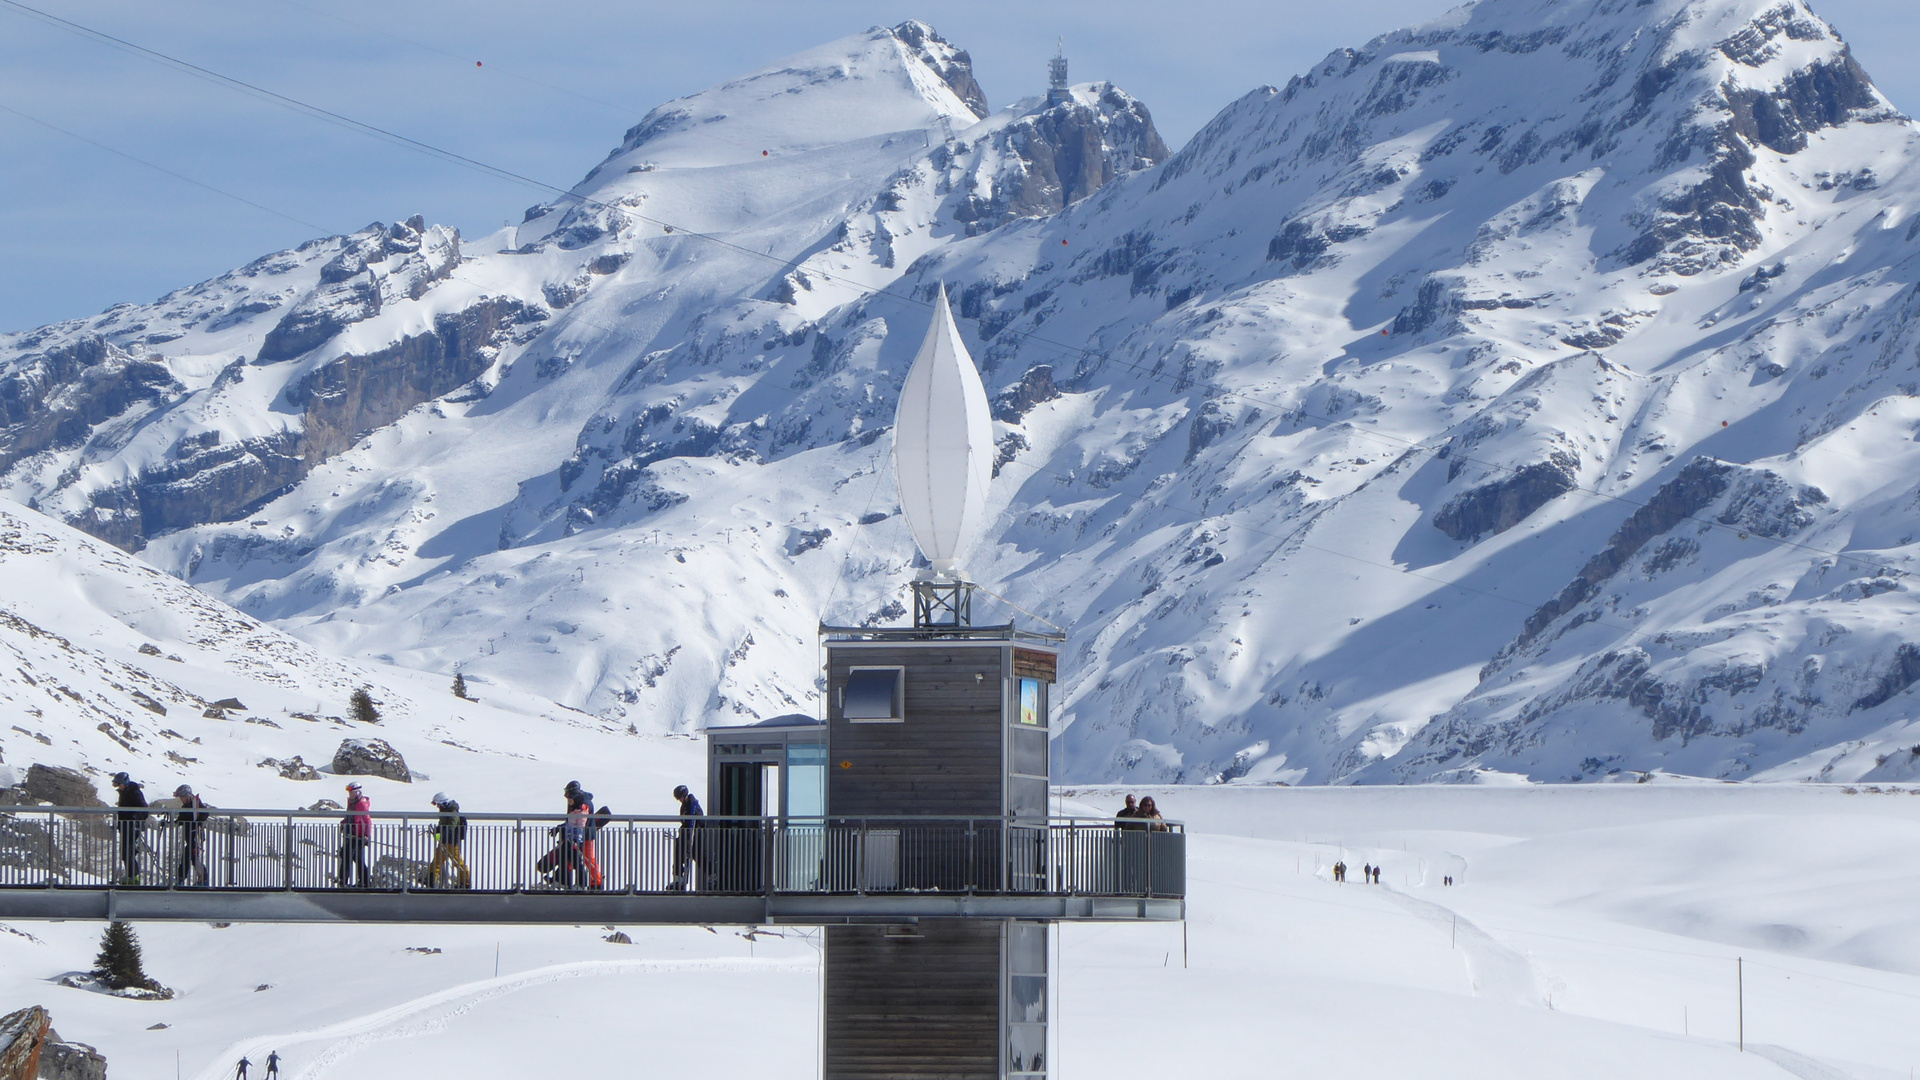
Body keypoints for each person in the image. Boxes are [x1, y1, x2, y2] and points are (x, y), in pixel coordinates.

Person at [111, 773, 148, 884]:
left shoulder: (135, 792)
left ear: (125, 782)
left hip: (133, 826)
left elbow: (144, 810)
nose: (119, 787)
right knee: (124, 851)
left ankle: (134, 876)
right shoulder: (124, 793)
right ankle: (131, 875)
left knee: (128, 851)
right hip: (125, 826)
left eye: (120, 784)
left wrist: (134, 818)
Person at [428, 793, 470, 889]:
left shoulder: (452, 812)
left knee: (458, 863)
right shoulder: (444, 812)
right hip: (444, 842)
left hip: (452, 842)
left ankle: (465, 883)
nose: (437, 806)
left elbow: (450, 827)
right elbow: (441, 826)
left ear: (444, 803)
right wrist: (437, 835)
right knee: (437, 862)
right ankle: (430, 882)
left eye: (438, 804)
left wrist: (440, 834)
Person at [173, 784, 209, 887]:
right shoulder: (186, 806)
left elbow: (205, 814)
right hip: (189, 836)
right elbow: (182, 818)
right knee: (189, 857)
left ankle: (202, 879)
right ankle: (183, 878)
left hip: (195, 835)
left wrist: (197, 822)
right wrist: (176, 822)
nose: (181, 800)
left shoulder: (196, 803)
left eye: (182, 797)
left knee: (192, 857)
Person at [669, 784, 703, 890]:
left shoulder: (691, 803)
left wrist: (688, 833)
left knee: (696, 854)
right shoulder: (685, 805)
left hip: (694, 835)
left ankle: (712, 874)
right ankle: (678, 878)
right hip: (686, 835)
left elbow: (692, 821)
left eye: (679, 797)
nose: (679, 800)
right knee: (679, 852)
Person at [338, 782, 372, 888]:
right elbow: (350, 817)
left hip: (358, 836)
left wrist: (367, 835)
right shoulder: (352, 802)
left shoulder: (361, 804)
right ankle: (347, 881)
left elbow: (367, 820)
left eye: (351, 792)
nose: (349, 794)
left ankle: (362, 882)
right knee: (349, 858)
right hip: (350, 835)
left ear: (356, 792)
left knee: (355, 859)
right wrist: (344, 823)